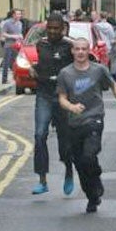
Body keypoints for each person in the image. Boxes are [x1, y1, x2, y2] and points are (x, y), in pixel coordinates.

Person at [57, 38, 116, 213]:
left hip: (94, 119)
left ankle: (96, 179)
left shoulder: (98, 70)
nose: (81, 52)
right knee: (80, 164)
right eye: (77, 49)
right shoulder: (65, 74)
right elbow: (61, 98)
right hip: (74, 123)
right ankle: (92, 196)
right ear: (72, 52)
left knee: (89, 157)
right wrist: (72, 107)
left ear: (88, 50)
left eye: (84, 49)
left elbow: (114, 85)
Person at [31, 13, 75, 196]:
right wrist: (34, 70)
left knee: (65, 139)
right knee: (40, 135)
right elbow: (40, 64)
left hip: (63, 97)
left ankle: (69, 172)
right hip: (44, 95)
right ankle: (42, 180)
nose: (52, 31)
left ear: (62, 29)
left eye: (56, 28)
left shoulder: (69, 46)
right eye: (49, 28)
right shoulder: (41, 44)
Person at [0, 9, 25, 84]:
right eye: (17, 14)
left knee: (16, 63)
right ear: (13, 15)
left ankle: (16, 78)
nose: (19, 15)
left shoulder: (20, 23)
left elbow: (19, 33)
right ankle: (4, 79)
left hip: (17, 46)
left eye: (20, 14)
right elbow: (3, 34)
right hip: (8, 45)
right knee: (6, 63)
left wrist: (21, 37)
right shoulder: (7, 23)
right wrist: (14, 36)